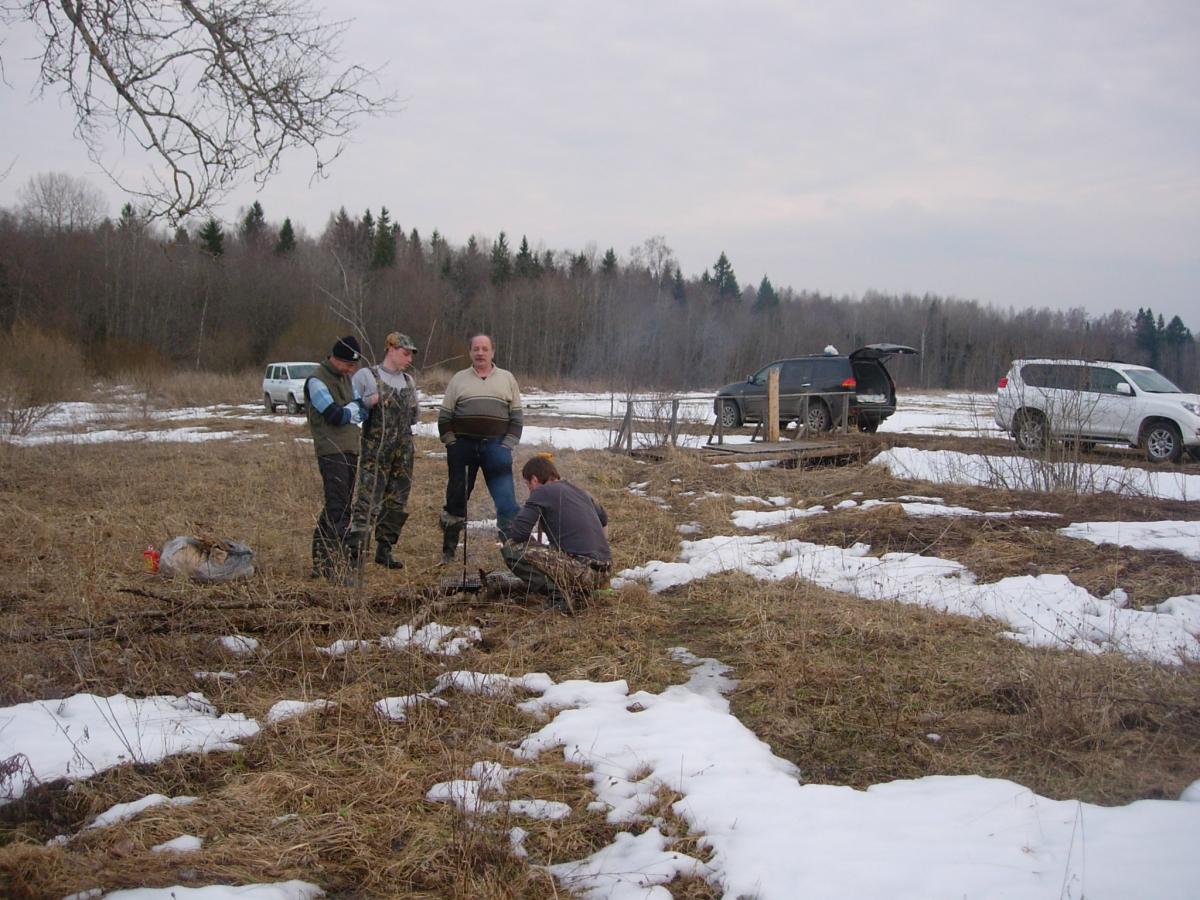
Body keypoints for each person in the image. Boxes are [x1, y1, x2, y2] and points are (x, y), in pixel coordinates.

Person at [437, 334, 523, 563]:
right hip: (463, 447)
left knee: (506, 498)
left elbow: (516, 418)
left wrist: (507, 445)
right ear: (470, 352)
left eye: (485, 349)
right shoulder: (458, 379)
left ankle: (511, 548)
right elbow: (445, 417)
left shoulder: (507, 378)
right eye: (476, 349)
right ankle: (448, 550)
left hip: (497, 447)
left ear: (493, 352)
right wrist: (452, 445)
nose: (480, 353)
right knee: (456, 497)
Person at [501, 455, 612, 612]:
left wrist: (511, 524)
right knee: (548, 550)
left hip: (581, 570)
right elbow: (604, 519)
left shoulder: (542, 492)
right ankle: (579, 592)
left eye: (527, 484)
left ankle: (561, 597)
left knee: (512, 548)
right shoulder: (580, 492)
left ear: (534, 479)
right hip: (604, 573)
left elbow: (519, 534)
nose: (529, 489)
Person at [349, 332, 420, 569]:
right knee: (368, 498)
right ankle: (357, 552)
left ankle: (385, 549)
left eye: (411, 354)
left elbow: (414, 416)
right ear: (391, 349)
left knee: (397, 500)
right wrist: (369, 402)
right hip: (376, 451)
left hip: (404, 452)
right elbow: (351, 409)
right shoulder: (367, 376)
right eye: (405, 353)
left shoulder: (409, 381)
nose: (409, 359)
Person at [304, 335, 367, 582]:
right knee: (337, 508)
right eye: (348, 364)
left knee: (341, 505)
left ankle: (321, 561)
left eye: (354, 366)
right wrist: (350, 411)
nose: (351, 370)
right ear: (336, 358)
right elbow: (334, 415)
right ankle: (333, 566)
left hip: (350, 448)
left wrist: (350, 411)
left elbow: (361, 409)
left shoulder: (346, 378)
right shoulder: (317, 380)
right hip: (331, 450)